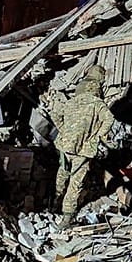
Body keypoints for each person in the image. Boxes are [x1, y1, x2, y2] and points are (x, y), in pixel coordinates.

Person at [50, 65, 115, 228]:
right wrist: (98, 136)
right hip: (82, 149)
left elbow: (55, 114)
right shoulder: (97, 104)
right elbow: (110, 119)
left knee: (62, 174)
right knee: (75, 182)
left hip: (65, 146)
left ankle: (54, 204)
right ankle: (67, 217)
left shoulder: (72, 101)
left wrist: (64, 130)